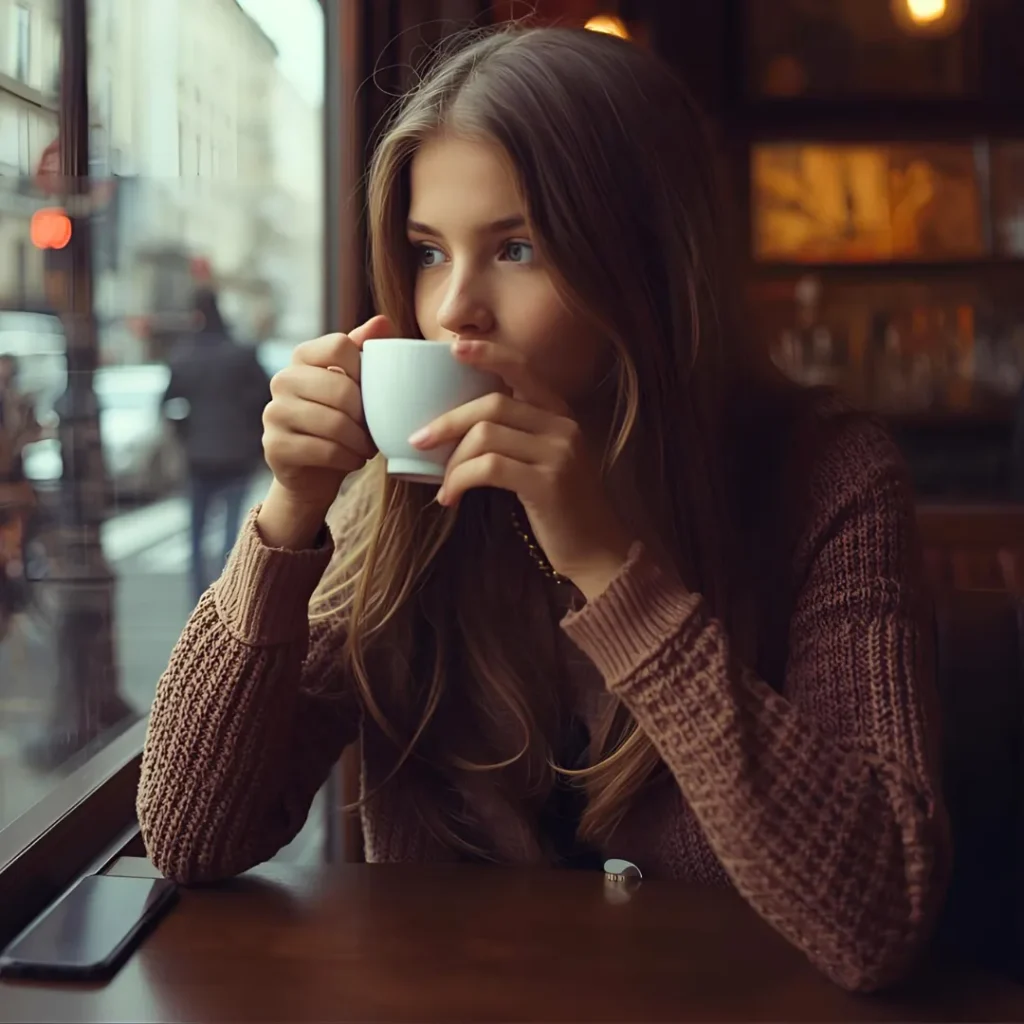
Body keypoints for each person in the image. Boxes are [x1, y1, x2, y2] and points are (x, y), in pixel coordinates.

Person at [137, 27, 950, 992]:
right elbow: (191, 835)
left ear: (642, 261)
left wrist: (609, 567)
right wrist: (289, 518)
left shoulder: (826, 477)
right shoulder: (404, 505)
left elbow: (880, 914)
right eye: (429, 252)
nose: (453, 311)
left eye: (516, 247)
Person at [163, 288, 270, 602]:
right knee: (231, 532)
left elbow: (169, 403)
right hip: (238, 455)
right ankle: (229, 597)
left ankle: (198, 600)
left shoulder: (184, 355)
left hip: (199, 457)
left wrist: (187, 435)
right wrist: (252, 435)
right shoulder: (240, 354)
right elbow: (266, 398)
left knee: (196, 535)